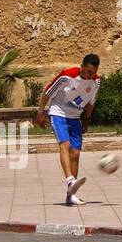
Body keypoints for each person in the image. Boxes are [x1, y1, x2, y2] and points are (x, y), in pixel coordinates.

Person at [36, 53, 101, 206]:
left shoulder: (96, 82)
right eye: (87, 71)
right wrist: (40, 112)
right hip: (58, 113)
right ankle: (71, 181)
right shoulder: (66, 76)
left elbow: (91, 102)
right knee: (64, 145)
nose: (89, 75)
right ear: (82, 66)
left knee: (76, 153)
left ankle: (71, 196)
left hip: (75, 117)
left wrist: (87, 119)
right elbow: (48, 92)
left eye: (93, 72)